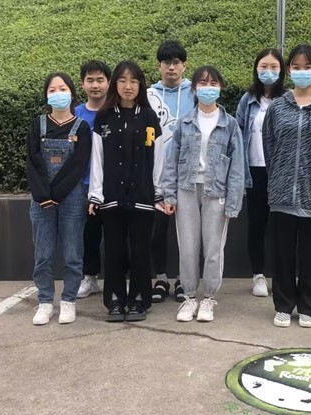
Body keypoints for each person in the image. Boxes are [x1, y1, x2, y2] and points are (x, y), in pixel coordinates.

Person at [263, 44, 311, 329]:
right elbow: (269, 146)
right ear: (289, 71)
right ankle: (283, 305)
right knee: (282, 255)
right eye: (296, 67)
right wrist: (279, 178)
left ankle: (308, 306)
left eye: (307, 67)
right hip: (282, 194)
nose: (302, 71)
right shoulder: (278, 107)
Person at [163, 66, 245, 323]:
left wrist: (233, 202)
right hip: (187, 189)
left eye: (213, 83)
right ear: (194, 88)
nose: (208, 87)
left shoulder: (230, 124)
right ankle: (189, 297)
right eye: (202, 83)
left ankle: (208, 298)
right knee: (187, 248)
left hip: (216, 191)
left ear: (220, 87)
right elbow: (171, 160)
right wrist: (169, 195)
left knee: (213, 249)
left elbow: (237, 167)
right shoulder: (184, 122)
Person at [88, 61, 161, 322]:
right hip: (111, 196)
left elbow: (158, 157)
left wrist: (158, 192)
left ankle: (139, 300)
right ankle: (115, 300)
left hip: (142, 196)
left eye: (133, 81)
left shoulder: (149, 117)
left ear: (140, 85)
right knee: (114, 251)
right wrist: (96, 194)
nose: (127, 86)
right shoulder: (104, 117)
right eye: (122, 81)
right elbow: (97, 158)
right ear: (115, 85)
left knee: (140, 250)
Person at [26, 72, 92, 325]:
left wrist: (57, 193)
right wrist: (44, 195)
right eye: (52, 90)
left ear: (72, 94)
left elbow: (78, 165)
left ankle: (68, 300)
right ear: (46, 96)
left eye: (62, 89)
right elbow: (33, 162)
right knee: (42, 254)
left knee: (73, 252)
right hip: (41, 199)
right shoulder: (38, 125)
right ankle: (44, 301)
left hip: (72, 198)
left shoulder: (81, 127)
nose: (58, 94)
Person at [236, 48, 286, 297]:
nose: (269, 71)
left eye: (274, 67)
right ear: (256, 69)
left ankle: (281, 275)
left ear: (282, 70)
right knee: (257, 225)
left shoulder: (288, 98)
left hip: (282, 172)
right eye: (264, 66)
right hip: (255, 170)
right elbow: (238, 134)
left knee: (281, 226)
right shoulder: (247, 100)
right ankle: (258, 275)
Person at [147, 40, 195, 303]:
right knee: (158, 231)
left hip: (186, 175)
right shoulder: (149, 96)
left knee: (185, 232)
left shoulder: (195, 93)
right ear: (159, 66)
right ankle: (161, 278)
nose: (172, 68)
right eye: (167, 63)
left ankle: (183, 280)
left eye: (176, 62)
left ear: (184, 65)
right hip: (156, 176)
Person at [75, 60, 112, 299]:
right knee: (88, 234)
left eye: (100, 80)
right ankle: (90, 277)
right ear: (82, 84)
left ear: (109, 83)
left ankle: (119, 279)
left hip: (112, 184)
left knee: (117, 235)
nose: (95, 85)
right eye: (90, 80)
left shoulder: (115, 111)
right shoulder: (75, 114)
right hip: (83, 185)